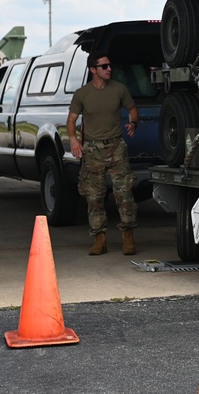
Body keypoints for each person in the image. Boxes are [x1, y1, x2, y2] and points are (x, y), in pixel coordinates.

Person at [67, 50, 140, 256]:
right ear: (93, 70)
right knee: (94, 196)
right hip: (93, 150)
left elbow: (133, 109)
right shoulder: (82, 94)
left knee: (124, 193)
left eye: (110, 66)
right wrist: (73, 139)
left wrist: (133, 122)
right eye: (104, 66)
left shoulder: (119, 89)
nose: (109, 69)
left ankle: (128, 239)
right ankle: (99, 240)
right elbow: (71, 120)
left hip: (116, 147)